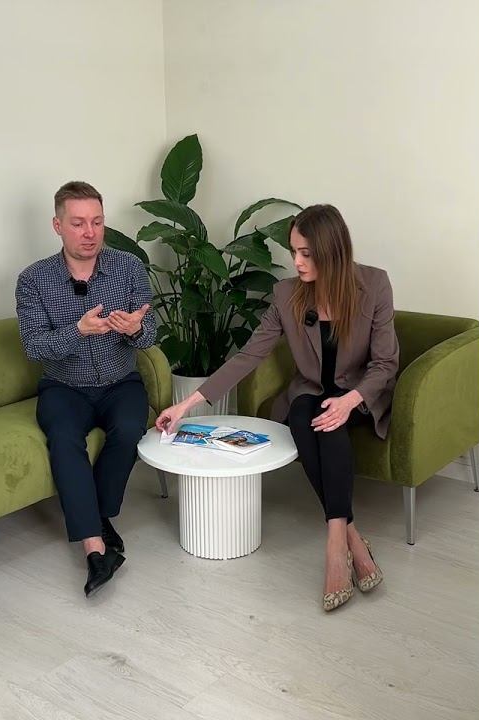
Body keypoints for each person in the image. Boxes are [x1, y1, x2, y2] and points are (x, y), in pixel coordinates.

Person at [155, 204, 398, 612]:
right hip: (310, 391)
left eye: (306, 253)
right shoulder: (288, 294)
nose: (296, 262)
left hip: (357, 393)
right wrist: (187, 404)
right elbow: (249, 356)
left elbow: (386, 363)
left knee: (330, 424)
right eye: (293, 251)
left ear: (332, 251)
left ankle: (336, 547)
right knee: (304, 417)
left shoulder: (374, 285)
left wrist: (350, 400)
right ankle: (347, 538)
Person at [15, 181, 156, 597]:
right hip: (63, 387)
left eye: (97, 222)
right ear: (57, 225)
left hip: (120, 381)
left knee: (129, 430)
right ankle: (96, 550)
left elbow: (150, 333)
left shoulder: (128, 268)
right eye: (78, 223)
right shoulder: (33, 280)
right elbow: (34, 346)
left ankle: (97, 515)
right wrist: (77, 330)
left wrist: (135, 329)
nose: (89, 232)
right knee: (63, 439)